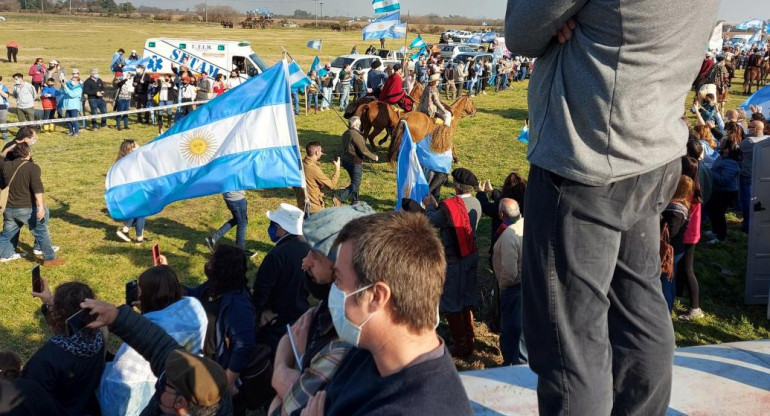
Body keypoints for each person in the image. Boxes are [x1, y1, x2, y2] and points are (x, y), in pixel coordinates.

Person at [504, 0, 717, 413]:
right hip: (653, 153)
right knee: (639, 307)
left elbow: (522, 32)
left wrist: (564, 23)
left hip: (587, 159)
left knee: (570, 342)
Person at [296, 212, 473, 415]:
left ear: (377, 296)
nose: (333, 291)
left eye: (338, 280)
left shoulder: (418, 408)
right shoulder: (368, 351)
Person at [268, 203, 373, 416]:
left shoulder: (346, 340)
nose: (305, 262)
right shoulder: (329, 306)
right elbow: (291, 336)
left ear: (340, 266)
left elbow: (279, 410)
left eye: (315, 257)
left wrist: (283, 369)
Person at [80, 298, 233, 415]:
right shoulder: (210, 396)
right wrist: (116, 317)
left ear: (180, 403)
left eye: (163, 383)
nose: (160, 381)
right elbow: (158, 345)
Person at [98, 265, 208, 416]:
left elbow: (119, 382)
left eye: (140, 288)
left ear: (148, 294)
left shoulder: (149, 332)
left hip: (141, 391)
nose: (137, 291)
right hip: (181, 381)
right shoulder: (194, 308)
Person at [185, 244, 257, 408]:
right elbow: (194, 295)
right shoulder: (212, 287)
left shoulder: (237, 304)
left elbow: (244, 345)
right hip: (206, 362)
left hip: (221, 370)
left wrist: (228, 382)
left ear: (222, 270)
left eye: (212, 261)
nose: (207, 264)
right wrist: (170, 281)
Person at [422, 168, 481, 359]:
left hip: (454, 258)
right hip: (471, 255)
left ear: (456, 186)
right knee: (467, 297)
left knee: (451, 301)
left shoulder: (449, 207)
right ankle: (469, 338)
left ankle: (461, 345)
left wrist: (430, 205)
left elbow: (431, 220)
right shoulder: (477, 203)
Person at [23, 281, 105, 414]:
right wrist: (48, 301)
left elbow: (29, 397)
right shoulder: (99, 336)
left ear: (58, 313)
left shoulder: (47, 359)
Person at [253, 203, 310, 351]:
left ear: (282, 228)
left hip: (275, 320)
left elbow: (262, 290)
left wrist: (257, 313)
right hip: (300, 314)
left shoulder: (276, 256)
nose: (271, 228)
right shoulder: (308, 247)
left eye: (273, 224)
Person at [0, 143, 64, 265]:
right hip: (27, 209)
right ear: (28, 153)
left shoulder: (6, 166)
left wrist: (6, 151)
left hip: (9, 209)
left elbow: (1, 159)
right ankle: (50, 259)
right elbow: (37, 189)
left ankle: (4, 254)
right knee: (41, 233)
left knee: (7, 234)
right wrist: (41, 207)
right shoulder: (32, 167)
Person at [492, 198, 525, 365]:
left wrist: (503, 286)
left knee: (511, 328)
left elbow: (509, 271)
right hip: (529, 284)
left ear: (501, 214)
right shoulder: (527, 224)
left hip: (513, 287)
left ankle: (511, 364)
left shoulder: (508, 236)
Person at [660, 175, 694, 312]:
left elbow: (672, 231)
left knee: (665, 281)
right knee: (670, 279)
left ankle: (666, 309)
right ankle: (670, 304)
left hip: (669, 249)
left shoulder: (674, 209)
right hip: (678, 249)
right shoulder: (684, 205)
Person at [677, 156, 704, 321]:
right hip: (692, 233)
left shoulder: (687, 189)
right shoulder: (696, 186)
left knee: (688, 269)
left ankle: (695, 308)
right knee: (682, 267)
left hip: (687, 234)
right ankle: (678, 294)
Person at [704, 138, 741, 243]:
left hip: (726, 192)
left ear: (728, 150)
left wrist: (710, 172)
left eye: (723, 146)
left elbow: (724, 180)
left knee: (718, 213)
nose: (720, 147)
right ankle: (716, 231)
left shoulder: (732, 163)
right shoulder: (722, 158)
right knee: (711, 209)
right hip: (718, 190)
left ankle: (721, 237)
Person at [335, 116, 378, 205]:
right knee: (355, 184)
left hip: (346, 160)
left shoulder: (346, 133)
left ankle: (355, 200)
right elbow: (364, 150)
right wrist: (374, 157)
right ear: (357, 125)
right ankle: (339, 197)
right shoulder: (356, 135)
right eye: (360, 124)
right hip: (355, 162)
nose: (361, 126)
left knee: (355, 181)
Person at [113, 140, 148, 243]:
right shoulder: (131, 161)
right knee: (141, 211)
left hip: (132, 190)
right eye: (136, 145)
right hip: (133, 190)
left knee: (139, 212)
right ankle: (129, 232)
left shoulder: (125, 160)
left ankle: (135, 236)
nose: (138, 146)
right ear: (130, 149)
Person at [739, 120, 767, 233]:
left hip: (748, 175)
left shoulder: (749, 141)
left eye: (749, 126)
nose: (748, 128)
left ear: (755, 129)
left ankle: (747, 225)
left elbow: (739, 148)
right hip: (763, 175)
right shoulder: (766, 139)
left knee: (747, 201)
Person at [296, 141, 341, 213]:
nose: (322, 153)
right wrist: (337, 169)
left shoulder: (300, 164)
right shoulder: (313, 169)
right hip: (314, 208)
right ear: (316, 152)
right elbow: (331, 185)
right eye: (321, 151)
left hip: (301, 205)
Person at [60, 70, 82, 137]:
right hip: (67, 106)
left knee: (74, 119)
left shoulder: (79, 88)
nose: (72, 81)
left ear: (78, 82)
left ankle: (77, 132)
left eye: (74, 80)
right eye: (72, 79)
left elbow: (72, 95)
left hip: (74, 106)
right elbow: (63, 92)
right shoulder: (68, 87)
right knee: (67, 119)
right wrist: (62, 87)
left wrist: (66, 87)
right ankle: (71, 131)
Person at [0, 76, 10, 141]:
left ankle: (4, 135)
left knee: (2, 120)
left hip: (2, 105)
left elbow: (6, 96)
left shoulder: (4, 87)